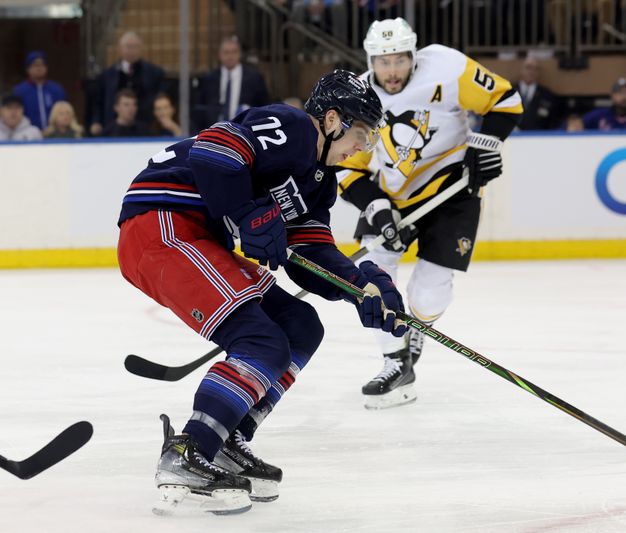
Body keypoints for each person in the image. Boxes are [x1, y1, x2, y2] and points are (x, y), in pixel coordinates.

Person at [117, 70, 407, 514]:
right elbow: (215, 148)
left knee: (299, 326)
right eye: (362, 135)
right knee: (261, 342)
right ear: (332, 120)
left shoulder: (319, 182)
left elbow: (310, 252)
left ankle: (227, 437)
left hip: (199, 236)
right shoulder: (293, 127)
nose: (360, 149)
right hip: (162, 223)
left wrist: (363, 288)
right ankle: (188, 452)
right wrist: (248, 212)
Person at [335, 18, 522, 409]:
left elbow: (506, 101)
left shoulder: (447, 67)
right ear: (370, 60)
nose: (390, 71)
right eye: (382, 62)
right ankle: (395, 361)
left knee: (430, 291)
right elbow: (347, 166)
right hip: (390, 196)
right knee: (373, 277)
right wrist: (378, 208)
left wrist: (482, 149)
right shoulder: (356, 95)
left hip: (451, 189)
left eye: (398, 61)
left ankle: (418, 329)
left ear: (413, 55)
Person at [90, 31, 165, 136]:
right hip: (112, 130)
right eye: (128, 46)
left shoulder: (154, 73)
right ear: (119, 48)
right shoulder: (107, 75)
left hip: (144, 129)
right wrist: (96, 121)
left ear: (141, 48)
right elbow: (98, 101)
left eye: (135, 46)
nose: (131, 50)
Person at [194, 36, 271, 131]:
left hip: (245, 130)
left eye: (234, 52)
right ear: (220, 55)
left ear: (240, 54)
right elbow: (201, 107)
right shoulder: (209, 78)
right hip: (215, 131)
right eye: (226, 52)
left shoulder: (254, 78)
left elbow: (263, 105)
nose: (230, 56)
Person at [12, 51, 67, 131]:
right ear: (28, 69)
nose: (39, 68)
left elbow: (65, 111)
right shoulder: (19, 91)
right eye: (35, 65)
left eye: (42, 65)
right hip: (28, 135)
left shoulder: (56, 89)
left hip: (54, 135)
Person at [513, 56, 560, 130]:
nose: (531, 71)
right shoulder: (509, 91)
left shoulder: (547, 95)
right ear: (521, 69)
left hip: (538, 138)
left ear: (539, 72)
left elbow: (553, 122)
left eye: (536, 69)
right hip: (512, 137)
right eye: (528, 67)